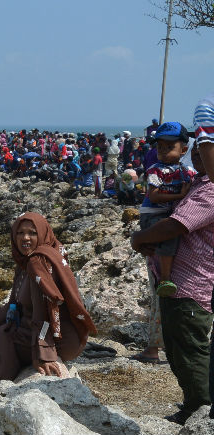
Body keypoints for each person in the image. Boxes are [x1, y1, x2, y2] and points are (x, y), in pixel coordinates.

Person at [131, 137, 214, 425]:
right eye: (196, 147)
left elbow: (178, 224)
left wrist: (139, 237)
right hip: (176, 285)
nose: (197, 153)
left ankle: (202, 410)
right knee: (177, 348)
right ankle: (194, 404)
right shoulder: (199, 183)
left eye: (205, 148)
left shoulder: (211, 191)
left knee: (189, 350)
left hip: (190, 286)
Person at [0, 213, 97, 385]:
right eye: (20, 233)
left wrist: (43, 354)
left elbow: (45, 312)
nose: (25, 238)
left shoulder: (38, 263)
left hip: (56, 338)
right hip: (45, 331)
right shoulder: (27, 261)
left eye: (32, 233)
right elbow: (14, 304)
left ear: (42, 234)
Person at [138, 122, 195, 296]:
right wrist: (180, 196)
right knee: (169, 235)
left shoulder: (185, 171)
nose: (163, 151)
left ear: (183, 151)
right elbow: (154, 196)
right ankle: (165, 277)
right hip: (152, 213)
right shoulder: (155, 170)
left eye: (169, 147)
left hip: (165, 212)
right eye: (160, 147)